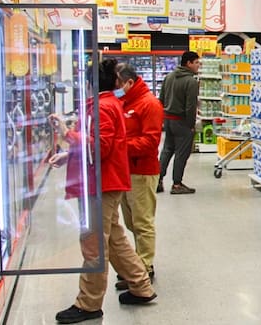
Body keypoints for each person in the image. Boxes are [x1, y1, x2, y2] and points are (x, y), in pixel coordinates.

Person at [51, 58, 156, 324]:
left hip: (101, 183)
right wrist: (68, 155)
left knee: (94, 244)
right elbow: (98, 146)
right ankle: (141, 286)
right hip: (104, 181)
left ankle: (88, 304)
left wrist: (67, 134)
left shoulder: (102, 107)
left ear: (88, 83)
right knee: (114, 239)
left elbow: (101, 146)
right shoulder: (107, 105)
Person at [114, 62, 163, 289]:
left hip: (142, 171)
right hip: (125, 170)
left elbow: (151, 141)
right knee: (130, 221)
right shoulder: (124, 102)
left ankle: (145, 267)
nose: (115, 89)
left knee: (142, 221)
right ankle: (135, 264)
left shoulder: (149, 104)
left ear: (129, 82)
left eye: (117, 84)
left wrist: (119, 146)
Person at [158, 50, 200, 194]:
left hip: (168, 120)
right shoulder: (191, 81)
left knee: (167, 150)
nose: (198, 66)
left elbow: (161, 99)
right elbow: (190, 106)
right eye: (196, 63)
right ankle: (177, 184)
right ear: (188, 63)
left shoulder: (168, 77)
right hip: (182, 122)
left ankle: (158, 180)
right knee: (181, 153)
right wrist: (191, 125)